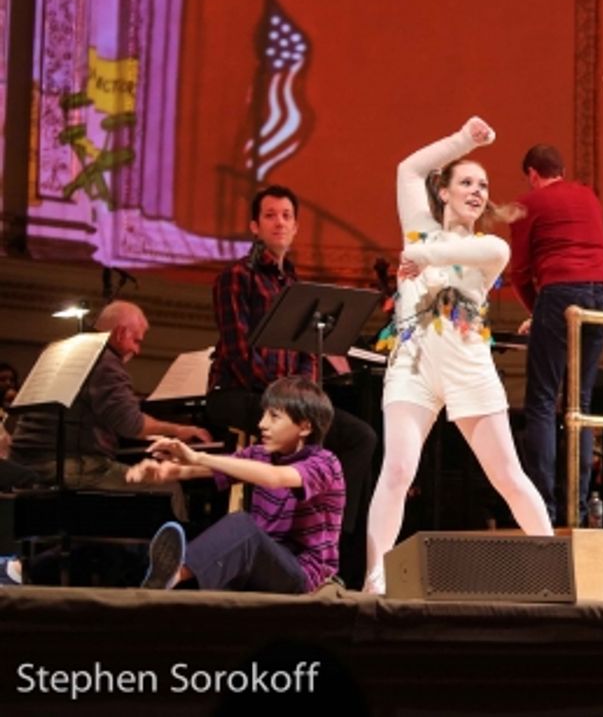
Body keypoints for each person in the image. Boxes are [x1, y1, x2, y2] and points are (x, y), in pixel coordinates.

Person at [363, 116, 551, 594]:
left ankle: (553, 570)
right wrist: (462, 141)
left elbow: (445, 256)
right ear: (442, 191)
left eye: (483, 185)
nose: (476, 191)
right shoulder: (419, 231)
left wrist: (422, 258)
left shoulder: (491, 248)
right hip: (412, 366)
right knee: (399, 469)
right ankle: (376, 575)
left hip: (470, 370)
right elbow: (408, 170)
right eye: (465, 182)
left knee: (508, 476)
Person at [208, 184, 378, 586]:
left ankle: (327, 537)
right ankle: (292, 530)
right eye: (270, 215)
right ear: (254, 226)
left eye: (286, 215)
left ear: (296, 226)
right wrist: (284, 403)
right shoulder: (236, 277)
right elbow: (236, 351)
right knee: (327, 435)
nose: (279, 222)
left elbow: (307, 355)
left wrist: (306, 400)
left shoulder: (295, 285)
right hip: (239, 394)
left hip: (283, 400)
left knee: (361, 437)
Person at [126, 376, 345, 594]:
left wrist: (198, 457)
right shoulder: (260, 454)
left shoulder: (324, 463)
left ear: (305, 427)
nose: (262, 424)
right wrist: (172, 471)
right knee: (218, 545)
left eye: (274, 416)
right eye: (264, 414)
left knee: (242, 525)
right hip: (259, 563)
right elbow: (220, 468)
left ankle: (173, 576)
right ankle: (167, 583)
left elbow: (274, 477)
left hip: (302, 575)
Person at [508, 143, 603, 525]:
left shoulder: (529, 203)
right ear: (561, 168)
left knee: (541, 401)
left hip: (559, 292)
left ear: (533, 174)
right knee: (580, 405)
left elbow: (519, 271)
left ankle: (543, 511)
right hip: (601, 296)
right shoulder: (589, 196)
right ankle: (580, 510)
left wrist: (537, 308)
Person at [8, 301, 209, 500]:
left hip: (22, 465)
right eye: (136, 341)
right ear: (121, 333)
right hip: (69, 468)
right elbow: (131, 425)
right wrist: (178, 430)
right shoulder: (105, 361)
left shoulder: (57, 350)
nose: (137, 351)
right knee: (169, 488)